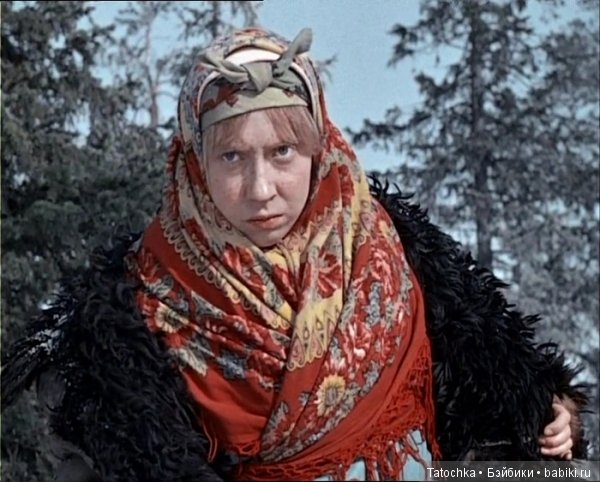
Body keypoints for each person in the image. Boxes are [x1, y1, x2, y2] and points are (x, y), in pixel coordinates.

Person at [1, 27, 588, 482]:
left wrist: (550, 416)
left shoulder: (399, 250)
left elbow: (501, 388)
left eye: (282, 151)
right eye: (232, 157)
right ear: (196, 164)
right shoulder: (128, 315)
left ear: (317, 148)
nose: (261, 189)